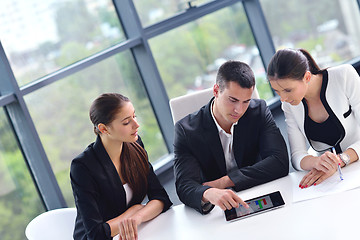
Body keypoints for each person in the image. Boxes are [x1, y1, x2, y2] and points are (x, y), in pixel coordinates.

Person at [173, 60, 289, 214]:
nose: (239, 110)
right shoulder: (187, 130)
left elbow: (280, 162)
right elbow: (184, 186)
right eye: (233, 100)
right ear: (216, 91)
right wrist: (208, 193)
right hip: (217, 209)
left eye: (245, 102)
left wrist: (224, 182)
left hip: (260, 195)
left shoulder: (258, 111)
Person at [70, 93, 172, 240]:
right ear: (104, 129)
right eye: (126, 122)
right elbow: (95, 233)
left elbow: (161, 199)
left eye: (134, 116)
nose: (136, 125)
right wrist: (132, 212)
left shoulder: (135, 145)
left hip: (134, 233)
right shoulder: (83, 167)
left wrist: (137, 217)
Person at [267, 48, 360, 188]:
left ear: (307, 77)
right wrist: (316, 162)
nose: (283, 98)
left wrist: (341, 160)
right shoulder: (289, 106)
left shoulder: (344, 76)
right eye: (277, 91)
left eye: (287, 90)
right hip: (332, 180)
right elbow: (297, 156)